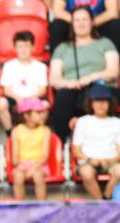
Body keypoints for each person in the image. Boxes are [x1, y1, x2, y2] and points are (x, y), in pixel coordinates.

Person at [50, 6, 119, 142]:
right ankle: (61, 143)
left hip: (99, 86)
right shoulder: (62, 48)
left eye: (85, 20)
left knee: (99, 94)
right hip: (72, 89)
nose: (81, 23)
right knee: (63, 97)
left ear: (92, 22)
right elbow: (54, 79)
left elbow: (113, 71)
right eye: (77, 20)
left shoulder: (105, 43)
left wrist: (91, 77)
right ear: (72, 24)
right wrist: (70, 83)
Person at [72, 84, 120, 199]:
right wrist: (90, 160)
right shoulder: (83, 122)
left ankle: (107, 196)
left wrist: (109, 160)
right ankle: (101, 203)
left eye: (104, 102)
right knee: (86, 173)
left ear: (110, 104)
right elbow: (76, 150)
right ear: (91, 103)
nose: (101, 105)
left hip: (111, 160)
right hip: (88, 161)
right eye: (97, 101)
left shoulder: (117, 122)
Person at [0, 31, 49, 132]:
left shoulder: (40, 67)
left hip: (34, 98)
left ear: (32, 47)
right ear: (15, 48)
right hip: (15, 99)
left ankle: (37, 134)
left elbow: (42, 90)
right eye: (20, 46)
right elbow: (7, 90)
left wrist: (30, 100)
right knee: (1, 103)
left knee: (45, 104)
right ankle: (11, 133)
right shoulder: (9, 66)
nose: (23, 50)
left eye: (26, 46)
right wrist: (19, 99)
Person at [11, 98, 52, 201]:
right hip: (22, 165)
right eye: (38, 112)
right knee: (18, 175)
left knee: (38, 175)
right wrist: (21, 166)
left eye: (42, 112)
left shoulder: (46, 130)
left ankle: (42, 206)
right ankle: (19, 207)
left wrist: (33, 168)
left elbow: (45, 156)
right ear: (26, 115)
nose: (42, 115)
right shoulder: (16, 131)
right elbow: (15, 158)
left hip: (40, 165)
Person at [50, 0, 120, 53]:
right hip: (72, 22)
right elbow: (57, 11)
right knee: (57, 25)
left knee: (115, 24)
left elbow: (112, 12)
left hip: (98, 22)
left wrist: (89, 23)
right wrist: (78, 21)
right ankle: (55, 63)